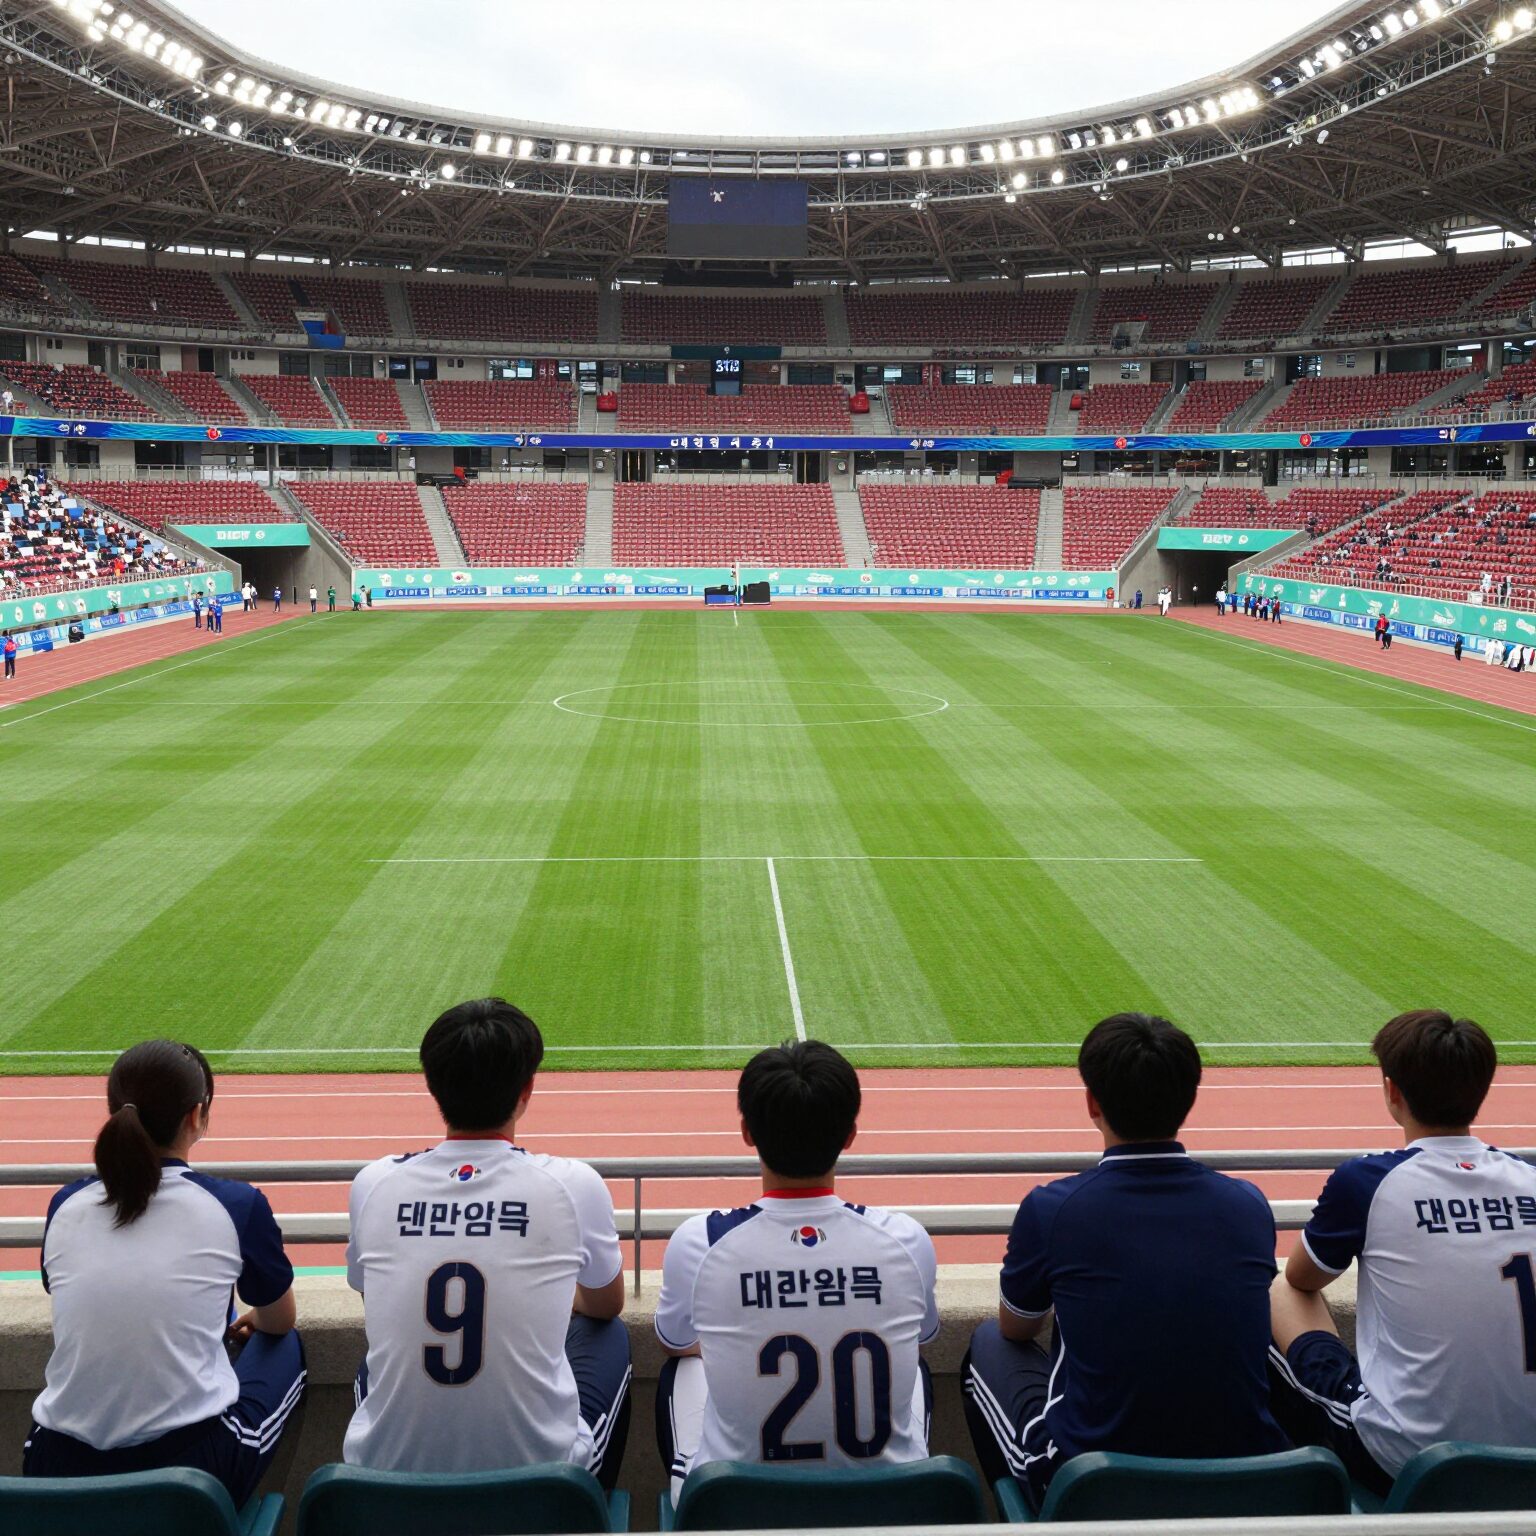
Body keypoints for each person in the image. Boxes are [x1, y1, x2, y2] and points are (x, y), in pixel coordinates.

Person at [963, 1013, 1286, 1513]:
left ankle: (1032, 1514)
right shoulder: (1249, 1203)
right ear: (1189, 1099)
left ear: (1093, 1102)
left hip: (1095, 1482)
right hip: (1247, 1471)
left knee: (987, 1341)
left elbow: (1017, 1327)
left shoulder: (1053, 1208)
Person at [344, 998, 630, 1484]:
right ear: (527, 1090)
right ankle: (588, 1512)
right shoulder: (573, 1183)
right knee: (609, 1334)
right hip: (543, 1482)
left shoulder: (374, 1183)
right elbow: (606, 1303)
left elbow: (376, 1294)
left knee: (376, 1356)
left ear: (434, 1086)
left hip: (385, 1481)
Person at [654, 1042, 938, 1503]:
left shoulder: (700, 1239)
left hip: (737, 1505)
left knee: (683, 1369)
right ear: (849, 1134)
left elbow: (675, 1340)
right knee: (915, 1367)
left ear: (747, 1131)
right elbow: (920, 1339)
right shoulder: (904, 1239)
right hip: (886, 1502)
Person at [23, 1041, 304, 1503]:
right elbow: (279, 1320)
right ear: (196, 1116)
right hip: (189, 1475)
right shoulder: (236, 1205)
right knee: (283, 1343)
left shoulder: (64, 1204)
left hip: (54, 1462)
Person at [1270, 1011, 1536, 1495]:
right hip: (1529, 1454)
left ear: (1392, 1092)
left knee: (1276, 1287)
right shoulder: (1530, 1178)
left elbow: (1302, 1277)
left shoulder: (1368, 1181)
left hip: (1408, 1460)